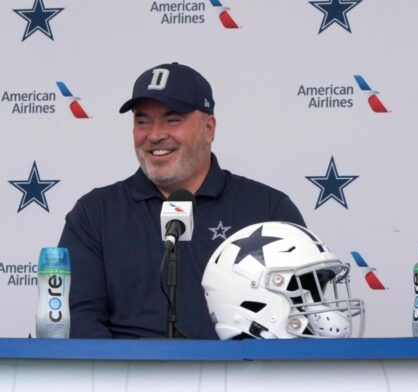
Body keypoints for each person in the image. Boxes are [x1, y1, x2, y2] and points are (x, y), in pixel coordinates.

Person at [59, 62, 305, 339]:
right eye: (142, 121)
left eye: (172, 119)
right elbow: (78, 318)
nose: (154, 135)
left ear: (209, 128)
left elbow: (296, 318)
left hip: (240, 378)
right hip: (126, 379)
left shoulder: (267, 209)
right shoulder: (96, 213)